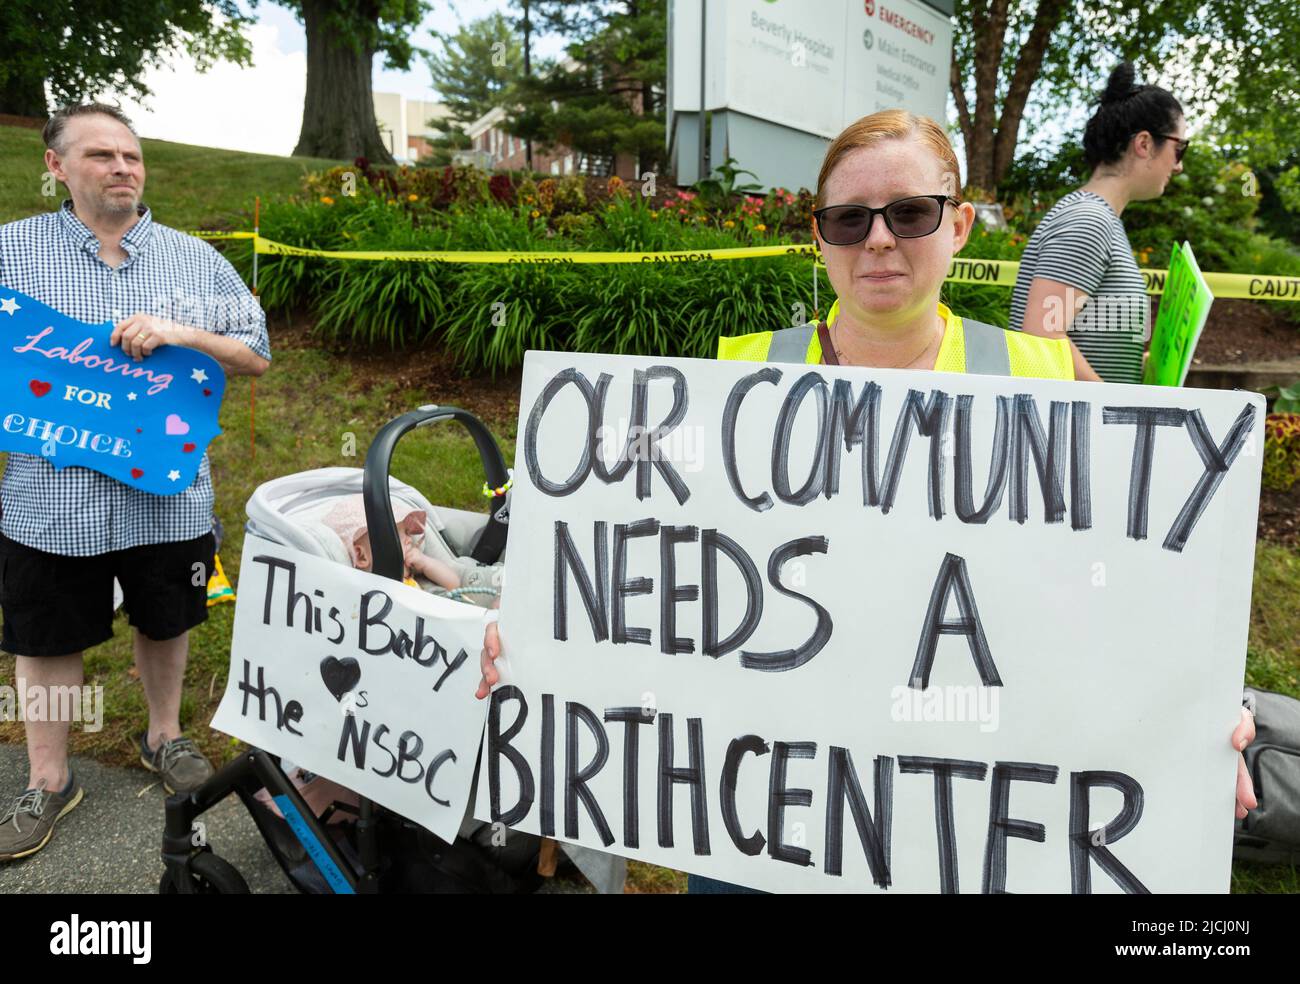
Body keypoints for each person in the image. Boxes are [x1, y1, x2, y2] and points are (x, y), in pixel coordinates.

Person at [475, 109, 1256, 890]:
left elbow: (1139, 575)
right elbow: (640, 569)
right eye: (849, 219)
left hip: (962, 821)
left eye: (909, 212)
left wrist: (1194, 717)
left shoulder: (1044, 377)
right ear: (820, 238)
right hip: (761, 813)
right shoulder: (736, 384)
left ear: (958, 226)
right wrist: (538, 638)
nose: (878, 239)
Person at [0, 103, 271, 862]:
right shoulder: (10, 254)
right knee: (46, 639)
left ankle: (165, 737)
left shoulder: (195, 261)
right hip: (49, 504)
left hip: (169, 496)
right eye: (100, 156)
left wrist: (183, 332)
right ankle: (49, 779)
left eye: (131, 155)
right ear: (56, 165)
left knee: (167, 621)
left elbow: (255, 353)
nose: (122, 167)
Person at [1011, 63, 1187, 384]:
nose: (1179, 166)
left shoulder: (1098, 218)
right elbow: (1041, 335)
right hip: (1079, 431)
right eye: (1179, 149)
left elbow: (1078, 331)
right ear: (1144, 144)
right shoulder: (1089, 221)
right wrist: (1114, 406)